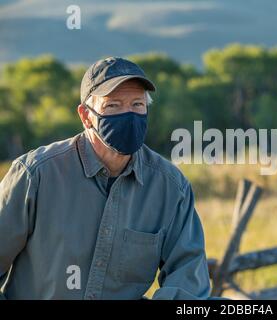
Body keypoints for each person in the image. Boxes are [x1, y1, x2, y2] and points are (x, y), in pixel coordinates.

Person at [0, 57, 211, 300]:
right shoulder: (35, 176)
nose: (129, 114)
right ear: (85, 116)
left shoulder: (171, 188)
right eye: (113, 106)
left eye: (137, 105)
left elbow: (188, 284)